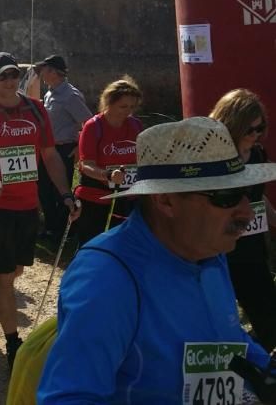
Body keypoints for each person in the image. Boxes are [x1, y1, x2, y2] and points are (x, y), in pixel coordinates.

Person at [38, 117, 276, 403]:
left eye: (247, 193)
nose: (247, 212)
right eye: (226, 196)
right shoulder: (108, 277)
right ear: (165, 201)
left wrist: (266, 369)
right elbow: (68, 397)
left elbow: (226, 339)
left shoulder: (209, 253)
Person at [0, 52, 79, 367]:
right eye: (2, 77)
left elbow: (50, 155)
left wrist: (66, 193)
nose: (10, 82)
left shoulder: (35, 110)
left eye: (13, 75)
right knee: (5, 277)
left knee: (15, 270)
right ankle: (14, 345)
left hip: (26, 203)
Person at [210, 89, 276, 352]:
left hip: (251, 251)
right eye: (250, 129)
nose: (256, 134)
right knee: (219, 320)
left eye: (261, 128)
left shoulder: (258, 154)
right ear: (232, 125)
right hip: (216, 251)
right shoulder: (212, 159)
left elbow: (258, 199)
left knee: (268, 315)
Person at [74, 77, 143, 246]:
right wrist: (107, 175)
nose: (128, 111)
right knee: (91, 244)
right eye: (123, 106)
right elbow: (86, 164)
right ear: (109, 103)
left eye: (132, 107)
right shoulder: (93, 126)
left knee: (123, 245)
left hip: (127, 197)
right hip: (96, 195)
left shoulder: (136, 126)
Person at [35, 54, 93, 239]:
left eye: (44, 70)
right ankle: (52, 227)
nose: (41, 74)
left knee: (60, 190)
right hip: (48, 148)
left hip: (63, 149)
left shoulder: (70, 95)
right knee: (44, 188)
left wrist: (79, 147)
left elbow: (88, 123)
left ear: (53, 72)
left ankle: (64, 229)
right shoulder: (51, 92)